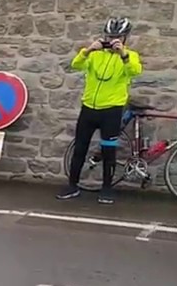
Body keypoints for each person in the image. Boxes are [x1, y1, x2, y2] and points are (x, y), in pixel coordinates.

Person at [57, 17, 143, 205]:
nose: (112, 40)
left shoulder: (130, 55)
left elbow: (135, 71)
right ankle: (72, 185)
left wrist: (123, 54)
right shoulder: (95, 55)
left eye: (117, 37)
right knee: (80, 147)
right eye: (109, 36)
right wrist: (88, 50)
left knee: (108, 151)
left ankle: (106, 188)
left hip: (111, 110)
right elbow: (76, 65)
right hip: (89, 108)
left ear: (125, 38)